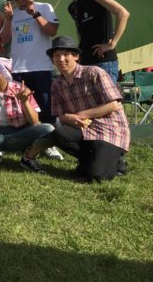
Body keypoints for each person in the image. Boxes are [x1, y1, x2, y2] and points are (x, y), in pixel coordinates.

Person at [47, 36, 130, 182]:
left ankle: (113, 161)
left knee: (97, 177)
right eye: (57, 55)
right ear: (52, 59)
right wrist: (69, 117)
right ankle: (90, 161)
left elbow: (114, 104)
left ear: (76, 56)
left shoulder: (94, 73)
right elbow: (60, 114)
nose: (61, 59)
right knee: (58, 134)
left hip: (109, 129)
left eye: (66, 54)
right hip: (84, 129)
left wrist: (82, 114)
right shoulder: (56, 85)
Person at [2, 0, 63, 160]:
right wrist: (8, 19)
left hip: (40, 66)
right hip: (18, 68)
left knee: (45, 107)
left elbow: (52, 31)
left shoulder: (44, 7)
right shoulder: (12, 14)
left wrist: (34, 14)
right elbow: (4, 39)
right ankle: (27, 142)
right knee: (21, 108)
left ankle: (49, 144)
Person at [56, 0, 130, 82]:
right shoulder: (72, 7)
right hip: (84, 62)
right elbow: (82, 33)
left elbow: (123, 13)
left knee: (107, 94)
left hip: (104, 60)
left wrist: (112, 44)